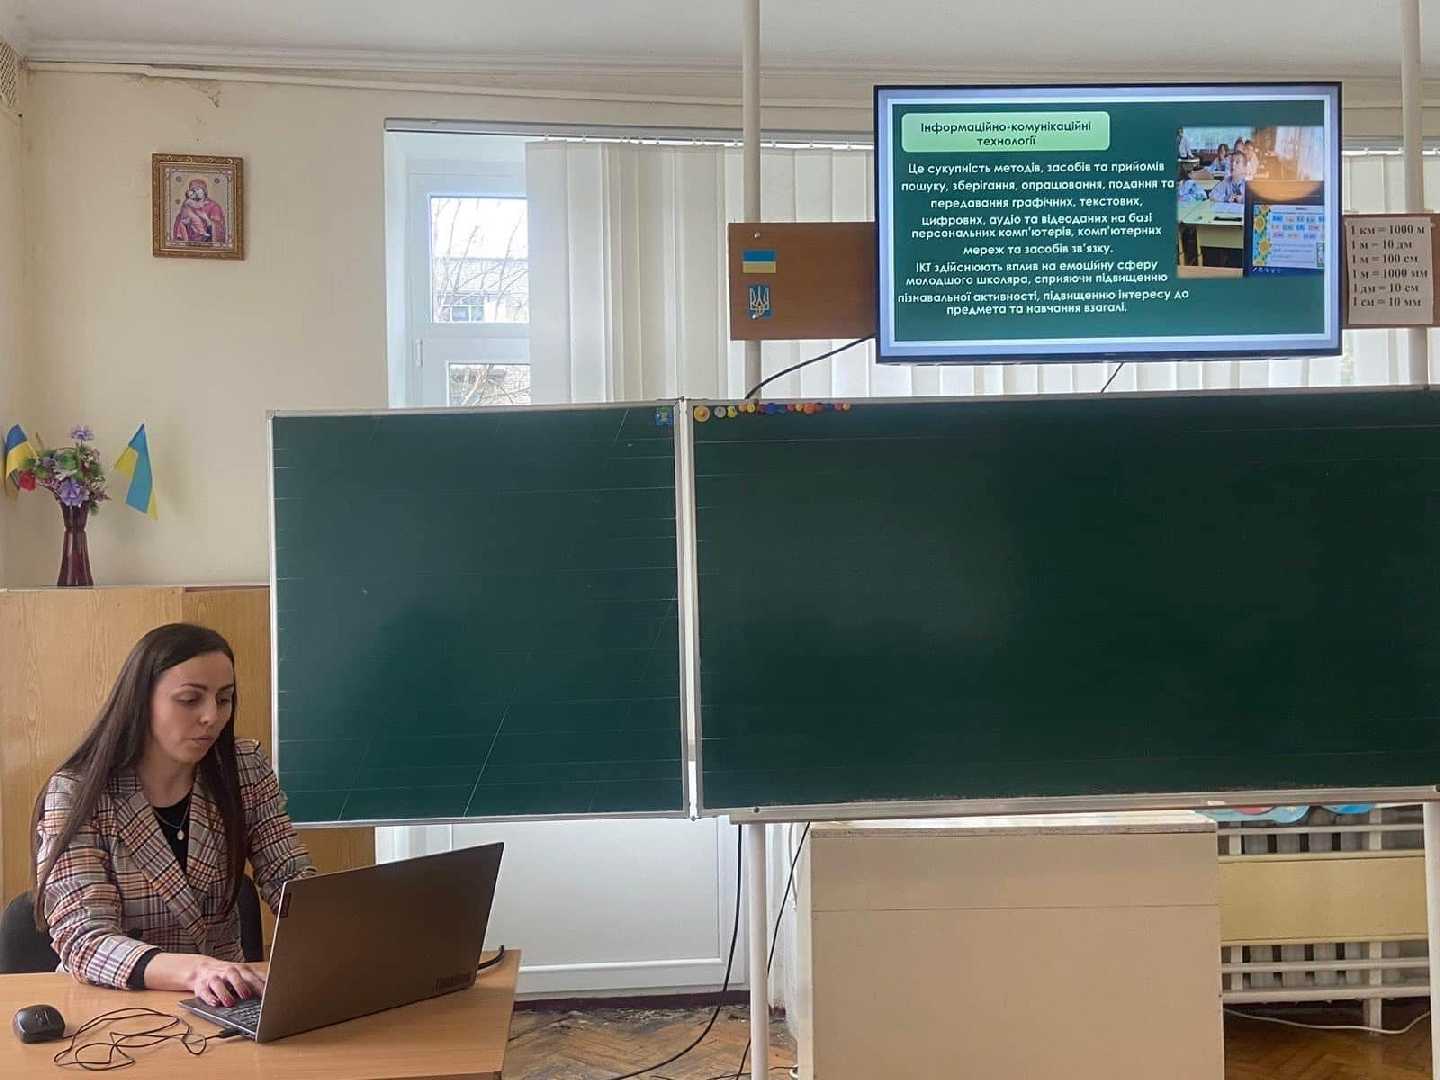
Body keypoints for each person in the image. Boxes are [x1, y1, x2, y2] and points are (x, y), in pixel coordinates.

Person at [32, 624, 315, 1006]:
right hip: (116, 1002)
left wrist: (340, 924)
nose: (212, 716)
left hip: (226, 1000)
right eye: (189, 699)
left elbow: (289, 879)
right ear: (141, 700)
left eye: (224, 699)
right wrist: (198, 971)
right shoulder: (78, 790)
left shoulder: (244, 766)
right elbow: (84, 939)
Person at [172, 178, 227, 245]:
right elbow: (180, 219)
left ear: (204, 191)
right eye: (193, 190)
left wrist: (206, 219)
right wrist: (185, 222)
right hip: (190, 241)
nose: (196, 192)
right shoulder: (188, 204)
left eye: (198, 189)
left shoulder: (213, 206)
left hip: (207, 242)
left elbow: (218, 226)